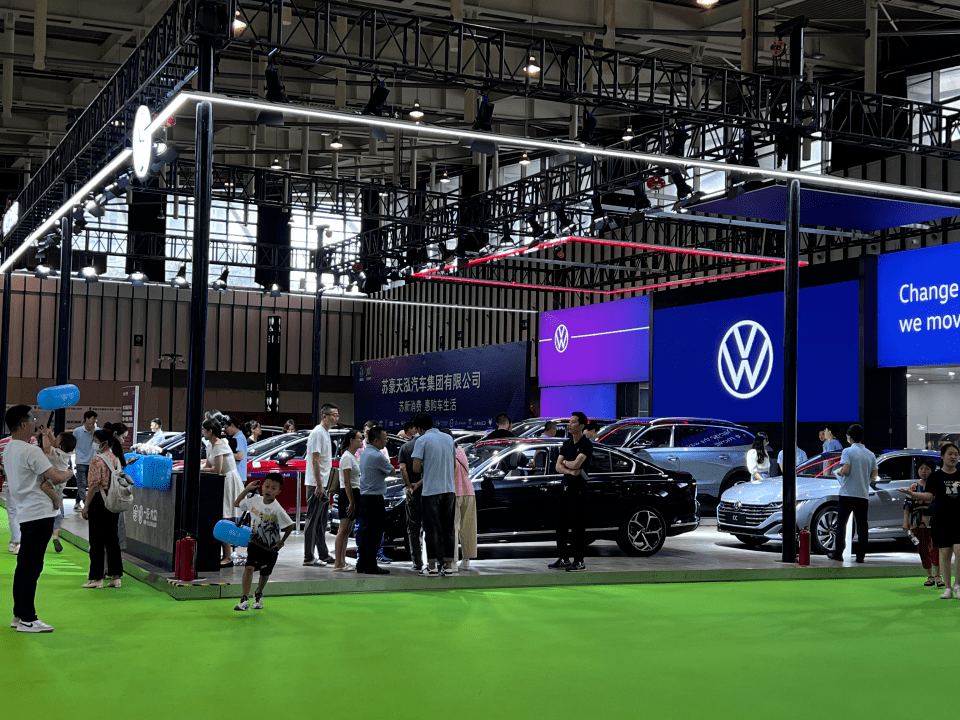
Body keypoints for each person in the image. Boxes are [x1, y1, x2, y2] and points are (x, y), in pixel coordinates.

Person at [5, 406, 73, 632]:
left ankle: (19, 614)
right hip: (39, 512)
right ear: (23, 425)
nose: (35, 424)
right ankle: (28, 618)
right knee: (32, 566)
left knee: (24, 564)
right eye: (32, 420)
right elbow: (56, 476)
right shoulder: (30, 451)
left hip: (26, 511)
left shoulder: (10, 447)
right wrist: (71, 472)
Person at [901, 444, 960, 598]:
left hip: (958, 520)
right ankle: (948, 588)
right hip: (941, 520)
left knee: (959, 550)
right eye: (950, 454)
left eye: (956, 454)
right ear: (942, 456)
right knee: (945, 553)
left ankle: (958, 584)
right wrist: (913, 494)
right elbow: (929, 495)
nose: (953, 457)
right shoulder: (935, 477)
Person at [233, 472, 294, 611]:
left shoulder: (278, 510)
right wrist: (247, 489)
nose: (269, 490)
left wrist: (281, 542)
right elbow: (236, 503)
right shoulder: (254, 501)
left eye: (273, 488)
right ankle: (244, 599)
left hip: (270, 548)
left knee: (265, 573)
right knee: (249, 567)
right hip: (255, 543)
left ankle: (258, 593)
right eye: (267, 486)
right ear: (262, 487)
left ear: (278, 492)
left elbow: (290, 526)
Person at [412, 413, 457, 576]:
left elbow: (416, 467)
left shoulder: (421, 440)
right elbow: (453, 464)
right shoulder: (448, 438)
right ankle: (448, 565)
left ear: (419, 428)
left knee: (432, 529)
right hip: (449, 489)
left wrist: (428, 464)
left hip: (431, 491)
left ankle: (432, 566)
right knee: (448, 528)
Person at [80, 427, 125, 590]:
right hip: (113, 500)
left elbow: (94, 485)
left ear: (104, 443)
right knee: (112, 539)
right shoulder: (116, 459)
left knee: (96, 540)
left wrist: (86, 505)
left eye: (95, 441)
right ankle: (116, 576)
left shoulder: (96, 460)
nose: (93, 443)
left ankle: (96, 578)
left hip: (99, 500)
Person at [550, 411, 593, 572]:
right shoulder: (566, 444)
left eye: (573, 422)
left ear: (581, 426)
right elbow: (558, 466)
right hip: (565, 487)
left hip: (578, 489)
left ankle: (579, 561)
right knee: (560, 525)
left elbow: (576, 464)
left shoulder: (586, 444)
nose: (570, 424)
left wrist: (567, 464)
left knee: (577, 526)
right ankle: (563, 558)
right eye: (570, 421)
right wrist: (569, 470)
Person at [828, 424, 878, 563]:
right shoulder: (870, 454)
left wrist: (838, 471)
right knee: (862, 525)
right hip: (863, 494)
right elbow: (874, 476)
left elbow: (845, 471)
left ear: (849, 437)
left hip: (847, 493)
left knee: (841, 524)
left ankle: (838, 552)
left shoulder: (848, 451)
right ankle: (860, 555)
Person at [200, 418, 242, 568]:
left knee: (225, 518)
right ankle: (225, 554)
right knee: (222, 518)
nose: (202, 432)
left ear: (210, 431)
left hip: (229, 482)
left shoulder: (220, 445)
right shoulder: (210, 444)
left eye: (204, 429)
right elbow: (208, 464)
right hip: (220, 482)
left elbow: (217, 470)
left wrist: (199, 468)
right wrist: (202, 467)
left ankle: (228, 556)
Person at [357, 426, 395, 575]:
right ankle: (371, 565)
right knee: (375, 534)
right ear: (377, 440)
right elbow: (392, 470)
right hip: (374, 499)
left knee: (367, 532)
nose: (386, 441)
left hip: (365, 497)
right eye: (385, 439)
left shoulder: (365, 453)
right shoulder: (377, 456)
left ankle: (362, 563)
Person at [303, 404, 338, 567]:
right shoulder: (317, 433)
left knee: (321, 522)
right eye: (334, 415)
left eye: (337, 415)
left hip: (323, 484)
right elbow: (315, 461)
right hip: (316, 485)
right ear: (324, 416)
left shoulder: (325, 433)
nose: (336, 418)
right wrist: (318, 485)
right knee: (312, 521)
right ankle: (308, 557)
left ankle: (323, 554)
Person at [902, 460, 941, 587]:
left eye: (927, 469)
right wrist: (905, 522)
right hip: (917, 522)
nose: (923, 471)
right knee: (922, 549)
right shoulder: (913, 487)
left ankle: (938, 575)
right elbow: (907, 506)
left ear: (932, 470)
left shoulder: (936, 485)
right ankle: (930, 575)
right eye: (921, 468)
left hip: (934, 522)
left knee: (935, 549)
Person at [443, 429, 477, 571]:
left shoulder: (446, 453)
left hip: (454, 492)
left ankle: (453, 562)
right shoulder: (461, 450)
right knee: (468, 528)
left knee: (453, 528)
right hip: (469, 491)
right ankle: (466, 560)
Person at [333, 430, 363, 571]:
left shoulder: (353, 457)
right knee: (343, 529)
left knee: (348, 529)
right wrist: (350, 500)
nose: (361, 441)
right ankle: (338, 563)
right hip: (347, 494)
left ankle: (342, 561)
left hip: (354, 493)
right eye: (359, 438)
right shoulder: (346, 457)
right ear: (352, 440)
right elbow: (346, 481)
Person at [398, 425, 425, 571]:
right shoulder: (428, 446)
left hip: (412, 494)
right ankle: (433, 561)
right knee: (430, 528)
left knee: (413, 529)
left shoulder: (405, 447)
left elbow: (402, 468)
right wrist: (419, 484)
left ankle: (417, 561)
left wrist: (409, 486)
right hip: (427, 491)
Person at [44, 432, 76, 554]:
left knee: (45, 486)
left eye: (56, 439)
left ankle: (55, 499)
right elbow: (54, 443)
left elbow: (47, 449)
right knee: (58, 514)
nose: (54, 440)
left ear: (60, 445)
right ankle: (56, 536)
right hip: (61, 486)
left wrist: (45, 435)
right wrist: (50, 434)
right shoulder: (66, 454)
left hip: (54, 481)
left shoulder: (56, 453)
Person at [72, 410, 98, 512]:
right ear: (86, 419)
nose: (94, 421)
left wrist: (94, 433)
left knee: (87, 484)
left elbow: (99, 445)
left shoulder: (97, 431)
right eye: (92, 419)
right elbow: (72, 444)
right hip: (80, 461)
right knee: (82, 484)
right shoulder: (77, 431)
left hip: (93, 461)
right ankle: (87, 503)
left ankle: (77, 502)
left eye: (95, 419)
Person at [223, 416, 248, 488]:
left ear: (232, 425)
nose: (225, 430)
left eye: (226, 428)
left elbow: (240, 456)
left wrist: (226, 454)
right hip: (238, 475)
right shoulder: (238, 437)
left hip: (238, 475)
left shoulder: (239, 438)